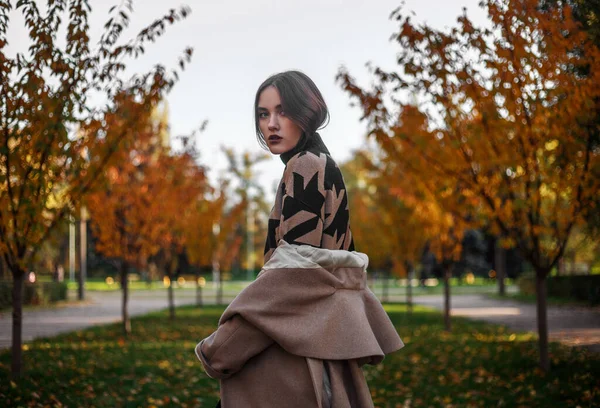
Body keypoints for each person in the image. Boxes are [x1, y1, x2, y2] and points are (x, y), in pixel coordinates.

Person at [195, 70, 403, 408]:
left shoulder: (306, 166)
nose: (272, 124)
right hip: (318, 351)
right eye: (264, 114)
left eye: (283, 111)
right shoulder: (322, 165)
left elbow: (290, 285)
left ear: (307, 113)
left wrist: (219, 350)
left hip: (291, 367)